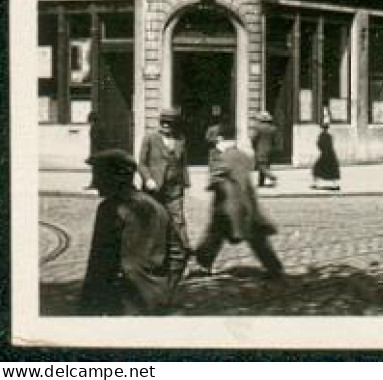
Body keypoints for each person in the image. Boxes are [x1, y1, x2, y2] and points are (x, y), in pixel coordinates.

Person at [78, 149, 181, 315]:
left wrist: (88, 307)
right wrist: (166, 288)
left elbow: (101, 261)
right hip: (157, 298)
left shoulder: (110, 209)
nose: (96, 185)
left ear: (113, 178)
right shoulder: (157, 206)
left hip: (125, 300)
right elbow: (178, 253)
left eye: (99, 177)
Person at [192, 134, 284, 280]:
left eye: (217, 142)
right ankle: (274, 267)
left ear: (222, 140)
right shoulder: (243, 155)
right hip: (247, 204)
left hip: (227, 205)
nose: (216, 145)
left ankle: (202, 264)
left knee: (214, 234)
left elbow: (215, 180)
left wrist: (212, 183)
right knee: (257, 239)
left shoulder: (222, 159)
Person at [137, 108, 191, 277]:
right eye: (163, 123)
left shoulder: (180, 139)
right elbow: (141, 163)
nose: (165, 126)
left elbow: (183, 163)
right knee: (153, 224)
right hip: (154, 190)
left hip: (174, 189)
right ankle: (151, 261)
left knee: (179, 223)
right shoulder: (150, 138)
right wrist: (148, 179)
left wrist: (185, 182)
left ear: (175, 125)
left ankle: (182, 260)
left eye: (169, 124)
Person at [311, 115, 341, 191]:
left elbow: (319, 144)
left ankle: (316, 184)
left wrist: (322, 149)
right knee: (332, 170)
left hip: (325, 154)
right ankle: (335, 185)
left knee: (317, 168)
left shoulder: (322, 136)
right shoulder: (329, 136)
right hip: (330, 154)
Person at [249, 111, 278, 188]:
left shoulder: (258, 128)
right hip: (270, 150)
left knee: (261, 166)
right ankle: (261, 182)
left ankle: (272, 177)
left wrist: (254, 147)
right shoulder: (273, 128)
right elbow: (275, 141)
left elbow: (253, 139)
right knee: (266, 165)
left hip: (260, 149)